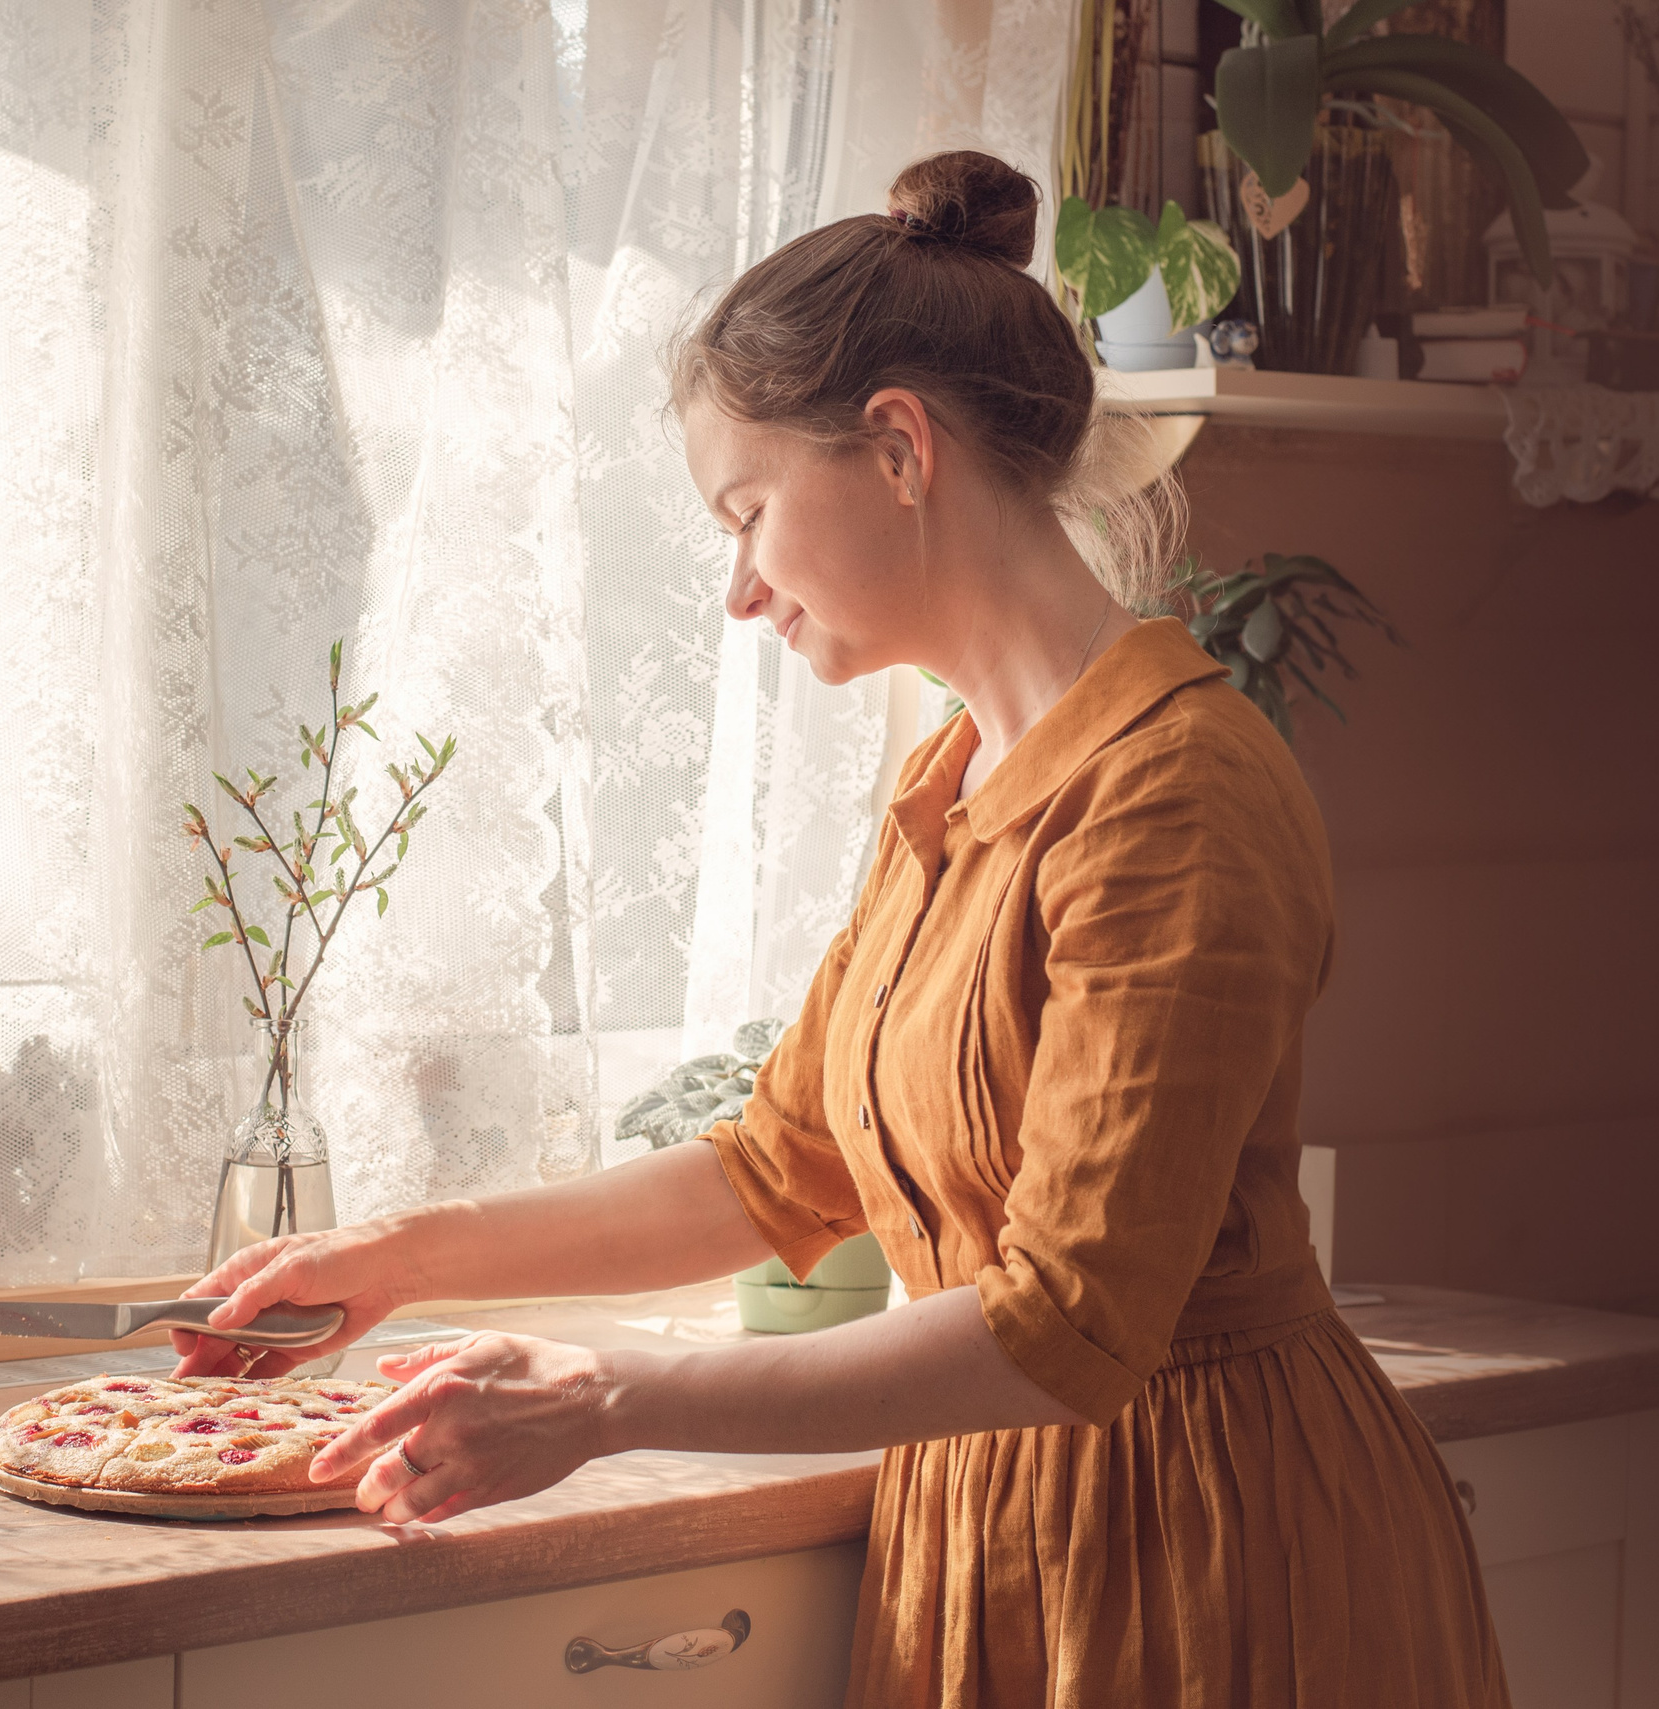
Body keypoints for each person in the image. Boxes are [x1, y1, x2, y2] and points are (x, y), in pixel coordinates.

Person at [174, 150, 1507, 1709]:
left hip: (1212, 1550)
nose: (739, 590)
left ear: (895, 447)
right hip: (993, 1525)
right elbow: (774, 1170)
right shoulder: (954, 777)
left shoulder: (1176, 792)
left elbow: (1063, 1328)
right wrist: (403, 1255)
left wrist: (608, 1396)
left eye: (746, 513)